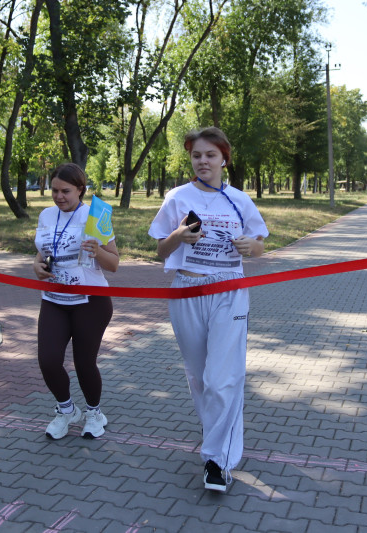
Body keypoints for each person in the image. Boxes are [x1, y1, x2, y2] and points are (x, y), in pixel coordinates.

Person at [148, 127, 268, 493]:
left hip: (229, 292)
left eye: (210, 155)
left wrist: (250, 246)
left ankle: (217, 459)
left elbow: (260, 245)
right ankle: (215, 432)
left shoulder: (239, 200)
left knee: (223, 377)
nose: (203, 161)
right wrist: (177, 236)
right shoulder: (177, 197)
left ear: (223, 159)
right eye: (197, 155)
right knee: (199, 377)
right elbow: (160, 250)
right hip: (187, 290)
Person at [32, 163, 119, 440]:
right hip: (54, 299)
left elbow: (114, 264)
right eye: (54, 190)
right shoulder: (46, 215)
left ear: (80, 189)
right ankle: (67, 410)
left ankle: (94, 413)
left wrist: (97, 251)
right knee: (48, 360)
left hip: (91, 302)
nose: (59, 196)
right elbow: (42, 254)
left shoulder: (95, 216)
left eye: (65, 191)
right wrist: (37, 266)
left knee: (84, 363)